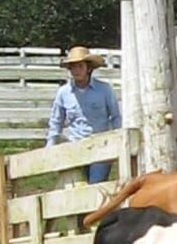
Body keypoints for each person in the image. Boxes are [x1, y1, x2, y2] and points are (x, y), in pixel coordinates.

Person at [45, 45, 122, 183]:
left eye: (80, 66)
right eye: (73, 67)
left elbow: (116, 117)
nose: (76, 71)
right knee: (76, 187)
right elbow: (56, 121)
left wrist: (117, 141)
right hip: (75, 147)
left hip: (101, 147)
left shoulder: (104, 90)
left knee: (96, 185)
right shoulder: (64, 93)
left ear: (88, 68)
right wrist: (51, 144)